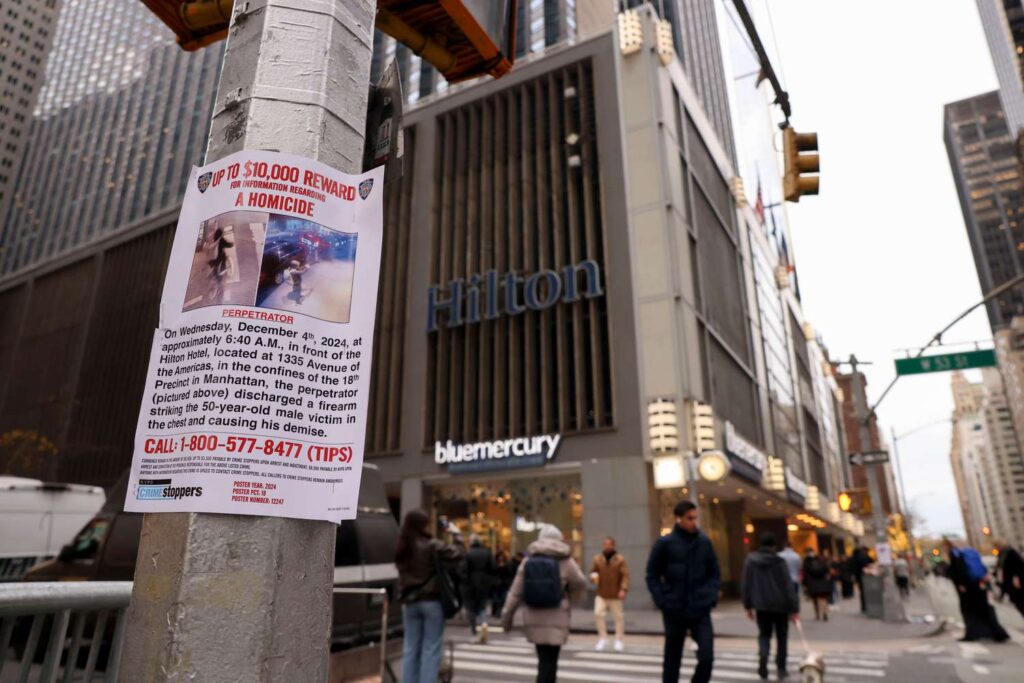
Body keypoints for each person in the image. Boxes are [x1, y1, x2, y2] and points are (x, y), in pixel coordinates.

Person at [501, 524, 587, 683]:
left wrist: (506, 619)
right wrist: (567, 589)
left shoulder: (528, 561)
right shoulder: (566, 561)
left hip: (534, 616)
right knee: (551, 662)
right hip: (557, 617)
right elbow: (580, 583)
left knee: (543, 660)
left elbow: (515, 593)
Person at [646, 500, 721, 683]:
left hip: (700, 609)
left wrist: (710, 596)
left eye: (695, 518)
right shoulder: (664, 544)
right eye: (689, 518)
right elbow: (652, 575)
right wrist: (662, 601)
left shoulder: (704, 542)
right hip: (674, 609)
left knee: (707, 657)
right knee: (672, 659)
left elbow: (714, 573)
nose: (694, 522)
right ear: (678, 519)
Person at [395, 510, 465, 683]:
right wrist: (456, 535)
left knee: (410, 648)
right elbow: (457, 554)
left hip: (409, 602)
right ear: (423, 525)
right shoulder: (431, 545)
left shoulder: (403, 547)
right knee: (431, 648)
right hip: (431, 601)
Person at [742, 532, 800, 680]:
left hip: (761, 605)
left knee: (764, 634)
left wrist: (748, 606)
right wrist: (794, 609)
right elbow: (788, 586)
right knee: (782, 637)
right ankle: (781, 668)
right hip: (780, 606)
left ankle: (763, 656)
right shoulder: (779, 562)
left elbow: (746, 584)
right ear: (774, 545)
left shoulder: (751, 561)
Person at [943, 539, 1009, 643]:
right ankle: (997, 633)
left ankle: (973, 634)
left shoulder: (955, 554)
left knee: (969, 610)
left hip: (967, 586)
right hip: (979, 583)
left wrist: (961, 584)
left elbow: (959, 569)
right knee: (985, 608)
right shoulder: (972, 552)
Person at [590, 536, 630, 652]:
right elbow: (592, 572)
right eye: (605, 544)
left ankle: (618, 640)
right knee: (598, 613)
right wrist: (593, 577)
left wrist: (623, 589)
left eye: (609, 544)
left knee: (618, 617)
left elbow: (625, 576)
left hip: (615, 594)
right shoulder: (597, 559)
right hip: (602, 593)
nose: (607, 546)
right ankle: (603, 638)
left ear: (613, 545)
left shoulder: (620, 560)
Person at [462, 535, 497, 642]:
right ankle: (483, 623)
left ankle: (473, 628)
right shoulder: (487, 553)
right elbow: (493, 567)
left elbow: (464, 570)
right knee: (482, 605)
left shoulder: (468, 554)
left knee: (471, 607)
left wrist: (465, 581)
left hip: (470, 583)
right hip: (484, 583)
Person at [801, 548, 832, 621]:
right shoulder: (820, 559)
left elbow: (805, 574)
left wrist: (805, 584)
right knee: (823, 598)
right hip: (822, 581)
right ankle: (825, 613)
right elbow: (827, 569)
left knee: (814, 599)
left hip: (812, 582)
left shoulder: (806, 561)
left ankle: (817, 615)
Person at [997, 542, 1024, 617]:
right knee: (1018, 603)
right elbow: (1000, 568)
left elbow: (1020, 565)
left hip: (1016, 583)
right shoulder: (1001, 555)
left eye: (997, 545)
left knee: (1021, 602)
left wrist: (1016, 576)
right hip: (1008, 583)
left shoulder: (1011, 552)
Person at [491, 550, 513, 618]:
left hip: (504, 584)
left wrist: (507, 581)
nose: (500, 558)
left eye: (502, 556)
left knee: (503, 598)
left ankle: (499, 612)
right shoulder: (494, 564)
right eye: (499, 556)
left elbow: (510, 574)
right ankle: (495, 611)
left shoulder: (507, 564)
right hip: (495, 584)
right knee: (495, 599)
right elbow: (492, 573)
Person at [850, 546, 872, 613]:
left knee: (862, 591)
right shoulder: (862, 557)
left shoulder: (853, 558)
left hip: (858, 576)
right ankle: (866, 606)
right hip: (864, 576)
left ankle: (863, 607)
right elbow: (868, 563)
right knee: (865, 591)